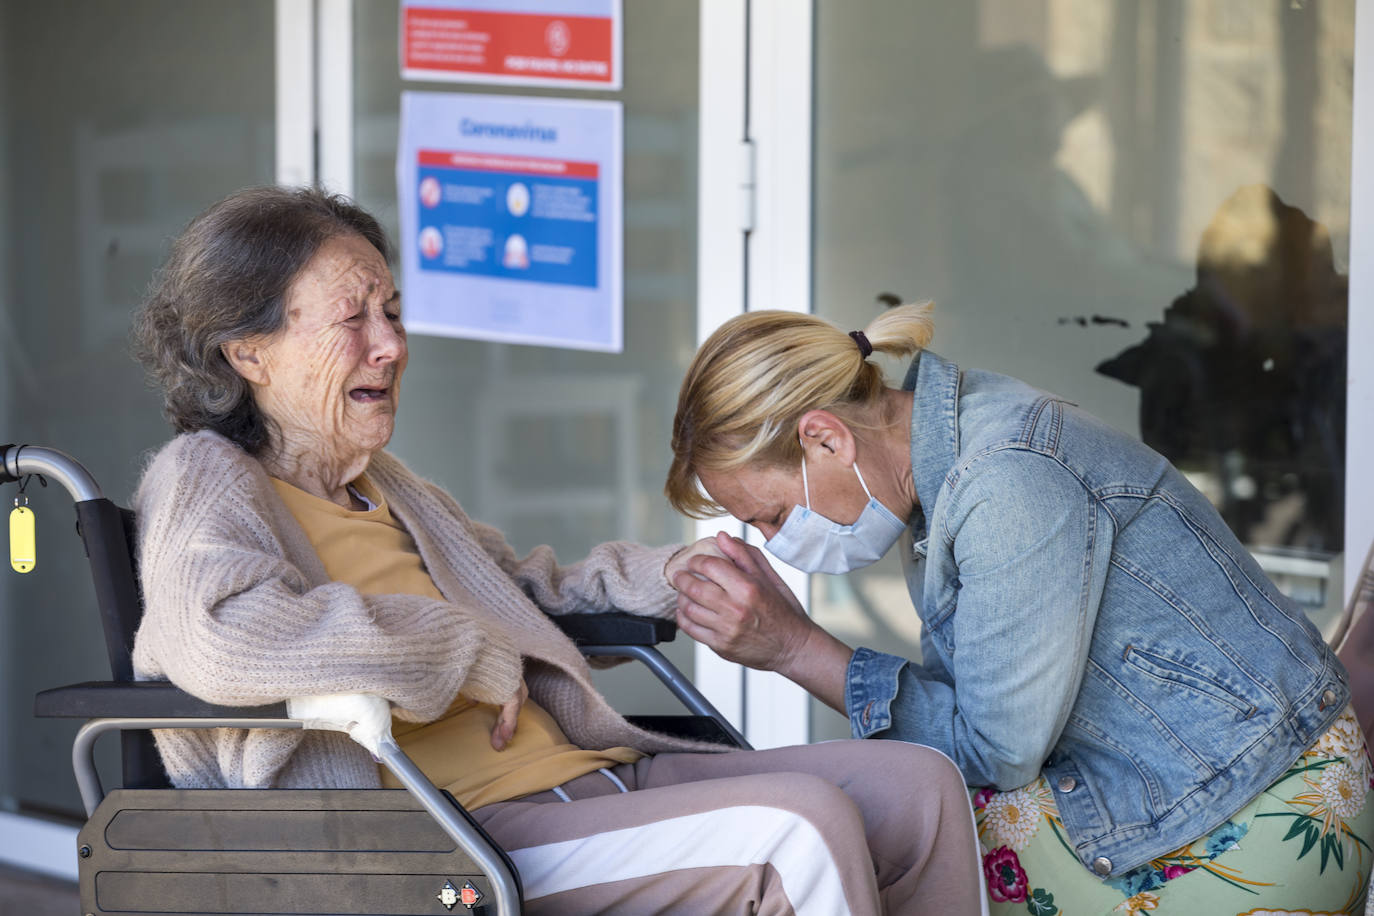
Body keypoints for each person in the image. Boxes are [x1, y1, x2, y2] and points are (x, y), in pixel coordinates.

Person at [127, 186, 983, 915]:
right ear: (249, 353)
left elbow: (525, 593)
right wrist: (462, 651)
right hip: (451, 839)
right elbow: (222, 636)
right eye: (352, 319)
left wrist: (667, 575)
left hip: (589, 779)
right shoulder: (207, 479)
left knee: (919, 786)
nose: (391, 345)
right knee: (797, 831)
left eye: (390, 312)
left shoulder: (387, 486)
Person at [664, 302, 1373, 914]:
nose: (775, 542)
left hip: (1253, 812)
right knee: (858, 824)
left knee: (855, 850)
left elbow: (992, 752)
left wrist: (795, 649)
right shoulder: (942, 462)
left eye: (772, 515)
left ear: (826, 438)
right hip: (1194, 776)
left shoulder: (1006, 482)